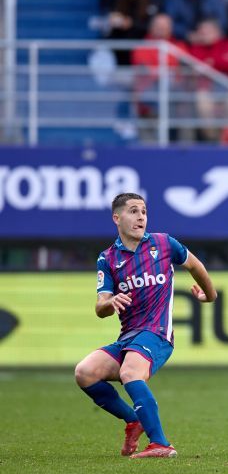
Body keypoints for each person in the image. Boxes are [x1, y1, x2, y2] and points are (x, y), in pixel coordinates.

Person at [74, 193, 217, 458]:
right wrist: (110, 302)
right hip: (128, 338)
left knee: (130, 372)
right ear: (117, 218)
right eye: (133, 211)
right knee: (85, 372)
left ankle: (160, 443)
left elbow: (195, 265)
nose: (141, 217)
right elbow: (100, 307)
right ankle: (134, 419)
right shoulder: (107, 258)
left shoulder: (164, 243)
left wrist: (210, 295)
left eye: (144, 211)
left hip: (157, 333)